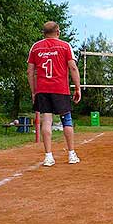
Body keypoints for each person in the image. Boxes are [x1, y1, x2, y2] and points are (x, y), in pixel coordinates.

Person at [27, 21, 81, 167]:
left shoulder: (36, 47)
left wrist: (33, 91)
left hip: (43, 90)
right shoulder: (65, 46)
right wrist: (77, 88)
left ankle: (48, 156)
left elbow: (30, 72)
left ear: (43, 33)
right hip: (60, 89)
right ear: (58, 32)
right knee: (67, 121)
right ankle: (71, 154)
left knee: (46, 121)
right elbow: (73, 68)